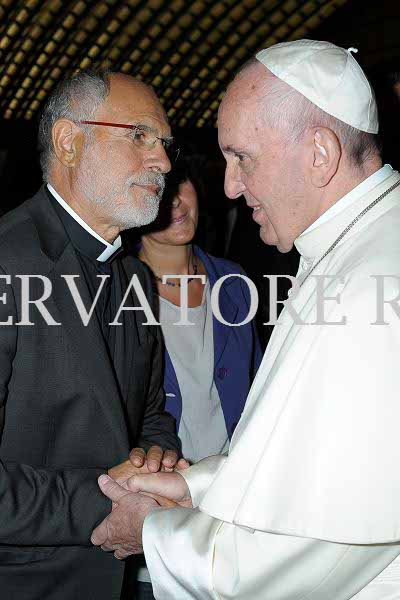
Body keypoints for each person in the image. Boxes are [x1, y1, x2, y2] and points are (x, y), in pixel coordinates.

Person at [93, 40, 400, 599]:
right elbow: (295, 452)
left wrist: (155, 532)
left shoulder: (372, 291)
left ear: (320, 154)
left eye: (242, 157)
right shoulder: (351, 248)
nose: (230, 186)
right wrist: (192, 486)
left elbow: (308, 552)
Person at [0, 69, 183, 600]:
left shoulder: (136, 279)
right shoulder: (8, 261)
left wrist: (155, 462)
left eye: (164, 143)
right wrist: (109, 501)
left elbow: (150, 416)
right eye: (139, 136)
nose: (164, 161)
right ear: (69, 141)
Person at [132, 154, 262, 598]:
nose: (174, 201)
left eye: (179, 183)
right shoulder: (114, 290)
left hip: (235, 507)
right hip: (160, 507)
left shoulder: (233, 281)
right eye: (158, 188)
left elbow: (259, 385)